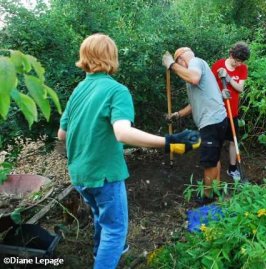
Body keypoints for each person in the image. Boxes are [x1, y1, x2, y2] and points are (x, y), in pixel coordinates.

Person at [57, 34, 200, 269]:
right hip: (105, 174)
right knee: (115, 231)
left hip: (79, 174)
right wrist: (169, 141)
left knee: (100, 217)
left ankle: (99, 253)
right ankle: (106, 257)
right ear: (111, 57)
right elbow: (122, 133)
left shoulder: (78, 91)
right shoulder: (116, 90)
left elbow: (62, 135)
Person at [162, 47, 229, 202]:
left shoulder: (195, 62)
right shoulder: (196, 74)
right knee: (214, 159)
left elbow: (193, 78)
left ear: (181, 59)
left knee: (208, 162)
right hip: (216, 120)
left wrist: (171, 65)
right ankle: (216, 191)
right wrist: (177, 114)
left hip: (211, 122)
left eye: (178, 62)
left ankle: (207, 196)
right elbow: (194, 104)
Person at [211, 41, 250, 180]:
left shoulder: (242, 68)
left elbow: (240, 89)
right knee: (217, 142)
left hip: (233, 112)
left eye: (241, 61)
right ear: (231, 54)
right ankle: (215, 169)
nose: (239, 64)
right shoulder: (218, 65)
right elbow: (209, 89)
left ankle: (232, 169)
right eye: (237, 61)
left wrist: (228, 79)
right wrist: (220, 94)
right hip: (218, 113)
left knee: (233, 140)